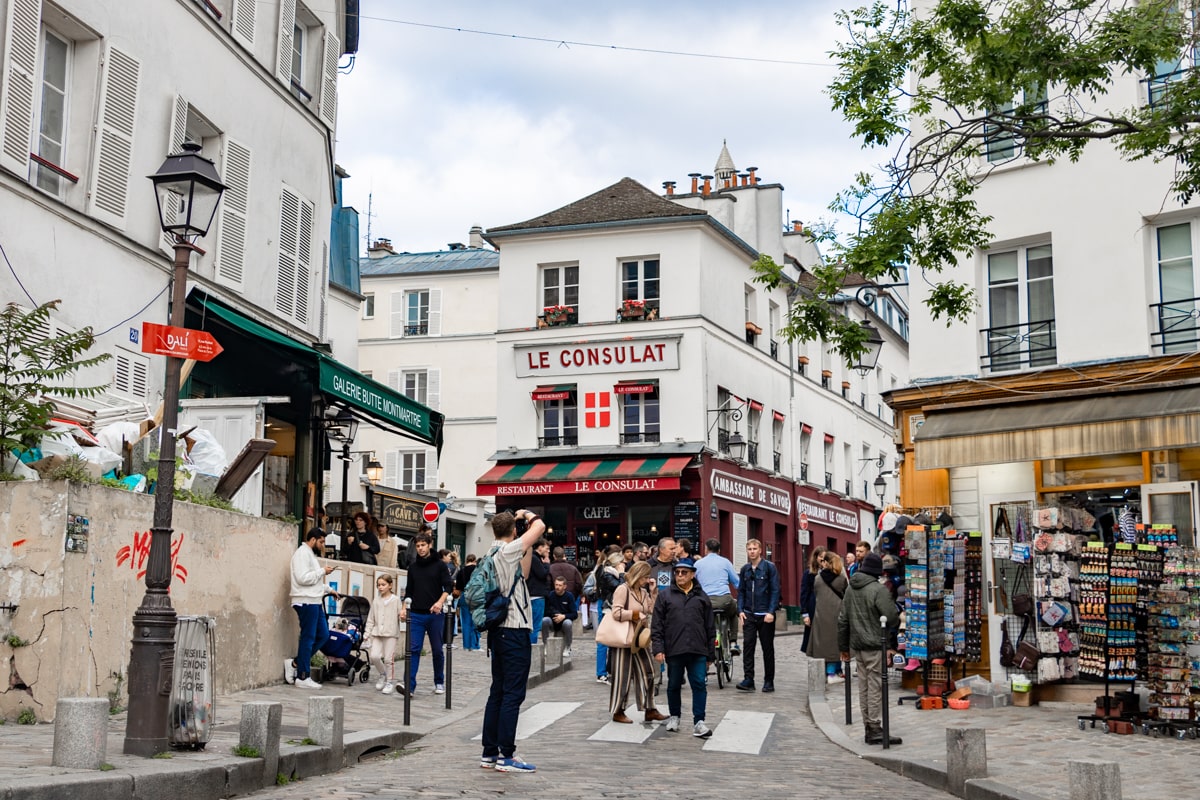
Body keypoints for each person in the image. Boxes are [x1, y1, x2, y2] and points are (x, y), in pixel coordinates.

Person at [479, 509, 545, 773]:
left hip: (499, 632)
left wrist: (524, 543)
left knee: (498, 692)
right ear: (514, 531)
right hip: (514, 630)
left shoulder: (492, 554)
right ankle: (507, 755)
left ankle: (489, 753)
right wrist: (527, 514)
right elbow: (539, 527)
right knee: (512, 695)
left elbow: (525, 575)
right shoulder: (507, 552)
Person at [839, 552, 901, 746]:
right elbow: (891, 616)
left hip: (857, 644)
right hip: (875, 643)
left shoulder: (851, 589)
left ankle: (868, 725)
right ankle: (874, 727)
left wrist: (843, 647)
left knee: (864, 686)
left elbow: (842, 620)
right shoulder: (877, 589)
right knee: (875, 685)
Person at [651, 557, 715, 738]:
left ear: (692, 575)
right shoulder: (665, 596)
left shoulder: (702, 597)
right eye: (677, 572)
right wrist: (658, 648)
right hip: (674, 648)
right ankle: (675, 716)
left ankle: (699, 722)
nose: (680, 575)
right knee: (673, 685)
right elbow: (657, 625)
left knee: (699, 685)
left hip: (698, 649)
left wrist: (711, 653)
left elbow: (710, 627)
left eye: (684, 572)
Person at [608, 561, 668, 724]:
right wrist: (635, 615)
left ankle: (650, 708)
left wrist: (653, 592)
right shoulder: (623, 589)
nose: (647, 580)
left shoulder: (643, 591)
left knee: (648, 672)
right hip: (624, 638)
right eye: (645, 577)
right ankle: (618, 711)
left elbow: (651, 610)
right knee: (622, 676)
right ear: (637, 575)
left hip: (640, 639)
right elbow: (616, 612)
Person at [401, 531, 453, 695]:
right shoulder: (413, 567)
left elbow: (448, 587)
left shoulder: (439, 565)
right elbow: (409, 590)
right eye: (418, 546)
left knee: (437, 649)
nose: (420, 548)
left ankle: (439, 681)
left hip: (434, 615)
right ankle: (409, 686)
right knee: (413, 649)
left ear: (429, 545)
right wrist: (403, 608)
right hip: (416, 614)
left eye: (423, 545)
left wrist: (439, 602)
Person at [290, 528, 335, 689]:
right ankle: (302, 676)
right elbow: (302, 578)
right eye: (321, 541)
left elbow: (312, 580)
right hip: (306, 601)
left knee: (323, 635)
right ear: (313, 539)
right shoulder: (302, 553)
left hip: (314, 600)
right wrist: (322, 571)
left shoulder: (309, 554)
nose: (322, 545)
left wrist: (328, 589)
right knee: (308, 638)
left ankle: (296, 662)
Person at [735, 538, 780, 693]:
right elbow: (741, 591)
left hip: (764, 614)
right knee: (748, 646)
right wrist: (740, 609)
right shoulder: (745, 569)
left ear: (760, 550)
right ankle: (749, 679)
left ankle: (769, 681)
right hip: (749, 614)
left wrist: (771, 611)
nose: (752, 551)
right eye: (749, 549)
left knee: (767, 648)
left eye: (755, 549)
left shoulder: (769, 568)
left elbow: (775, 590)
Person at [807, 551, 848, 683]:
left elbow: (816, 594)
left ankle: (827, 672)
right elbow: (846, 596)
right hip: (837, 615)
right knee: (835, 645)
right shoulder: (841, 579)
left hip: (820, 616)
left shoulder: (818, 579)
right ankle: (832, 673)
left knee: (824, 645)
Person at [694, 537, 740, 654]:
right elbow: (737, 583)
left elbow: (693, 583)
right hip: (724, 600)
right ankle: (734, 642)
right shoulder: (725, 562)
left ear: (705, 549)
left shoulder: (698, 564)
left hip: (705, 601)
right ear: (719, 551)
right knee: (734, 611)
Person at [364, 573, 405, 694]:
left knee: (388, 659)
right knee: (374, 656)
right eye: (378, 585)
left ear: (390, 585)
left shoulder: (396, 600)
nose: (380, 587)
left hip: (391, 633)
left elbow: (401, 616)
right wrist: (367, 633)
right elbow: (371, 618)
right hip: (377, 633)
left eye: (383, 584)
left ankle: (390, 681)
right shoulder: (376, 600)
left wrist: (403, 616)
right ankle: (383, 674)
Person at [594, 549, 625, 684]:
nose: (624, 564)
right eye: (622, 562)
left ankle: (611, 669)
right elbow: (620, 587)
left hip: (614, 608)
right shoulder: (607, 574)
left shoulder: (613, 574)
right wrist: (623, 574)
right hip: (608, 609)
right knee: (604, 640)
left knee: (615, 641)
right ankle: (601, 673)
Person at [799, 546, 828, 654]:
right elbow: (804, 593)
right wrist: (805, 613)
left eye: (825, 557)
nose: (822, 559)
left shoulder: (830, 572)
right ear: (816, 557)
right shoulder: (809, 573)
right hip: (813, 608)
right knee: (813, 638)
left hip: (826, 609)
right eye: (820, 557)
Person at [541, 576, 578, 656]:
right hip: (552, 620)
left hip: (564, 620)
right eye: (556, 585)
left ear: (565, 586)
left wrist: (563, 616)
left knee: (568, 623)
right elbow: (546, 611)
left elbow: (574, 614)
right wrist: (554, 615)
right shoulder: (550, 595)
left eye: (560, 585)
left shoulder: (569, 596)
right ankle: (546, 645)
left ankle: (567, 647)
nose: (557, 587)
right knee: (544, 620)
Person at [527, 538, 552, 644]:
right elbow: (542, 574)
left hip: (533, 594)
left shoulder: (533, 558)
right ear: (540, 547)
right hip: (536, 595)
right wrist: (546, 564)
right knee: (535, 625)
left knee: (533, 624)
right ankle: (533, 649)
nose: (548, 551)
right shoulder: (535, 558)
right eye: (547, 548)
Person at [455, 553, 481, 651]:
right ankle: (475, 645)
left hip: (464, 596)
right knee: (476, 621)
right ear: (474, 560)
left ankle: (466, 645)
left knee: (465, 622)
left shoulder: (461, 571)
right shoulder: (478, 570)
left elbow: (458, 587)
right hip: (476, 596)